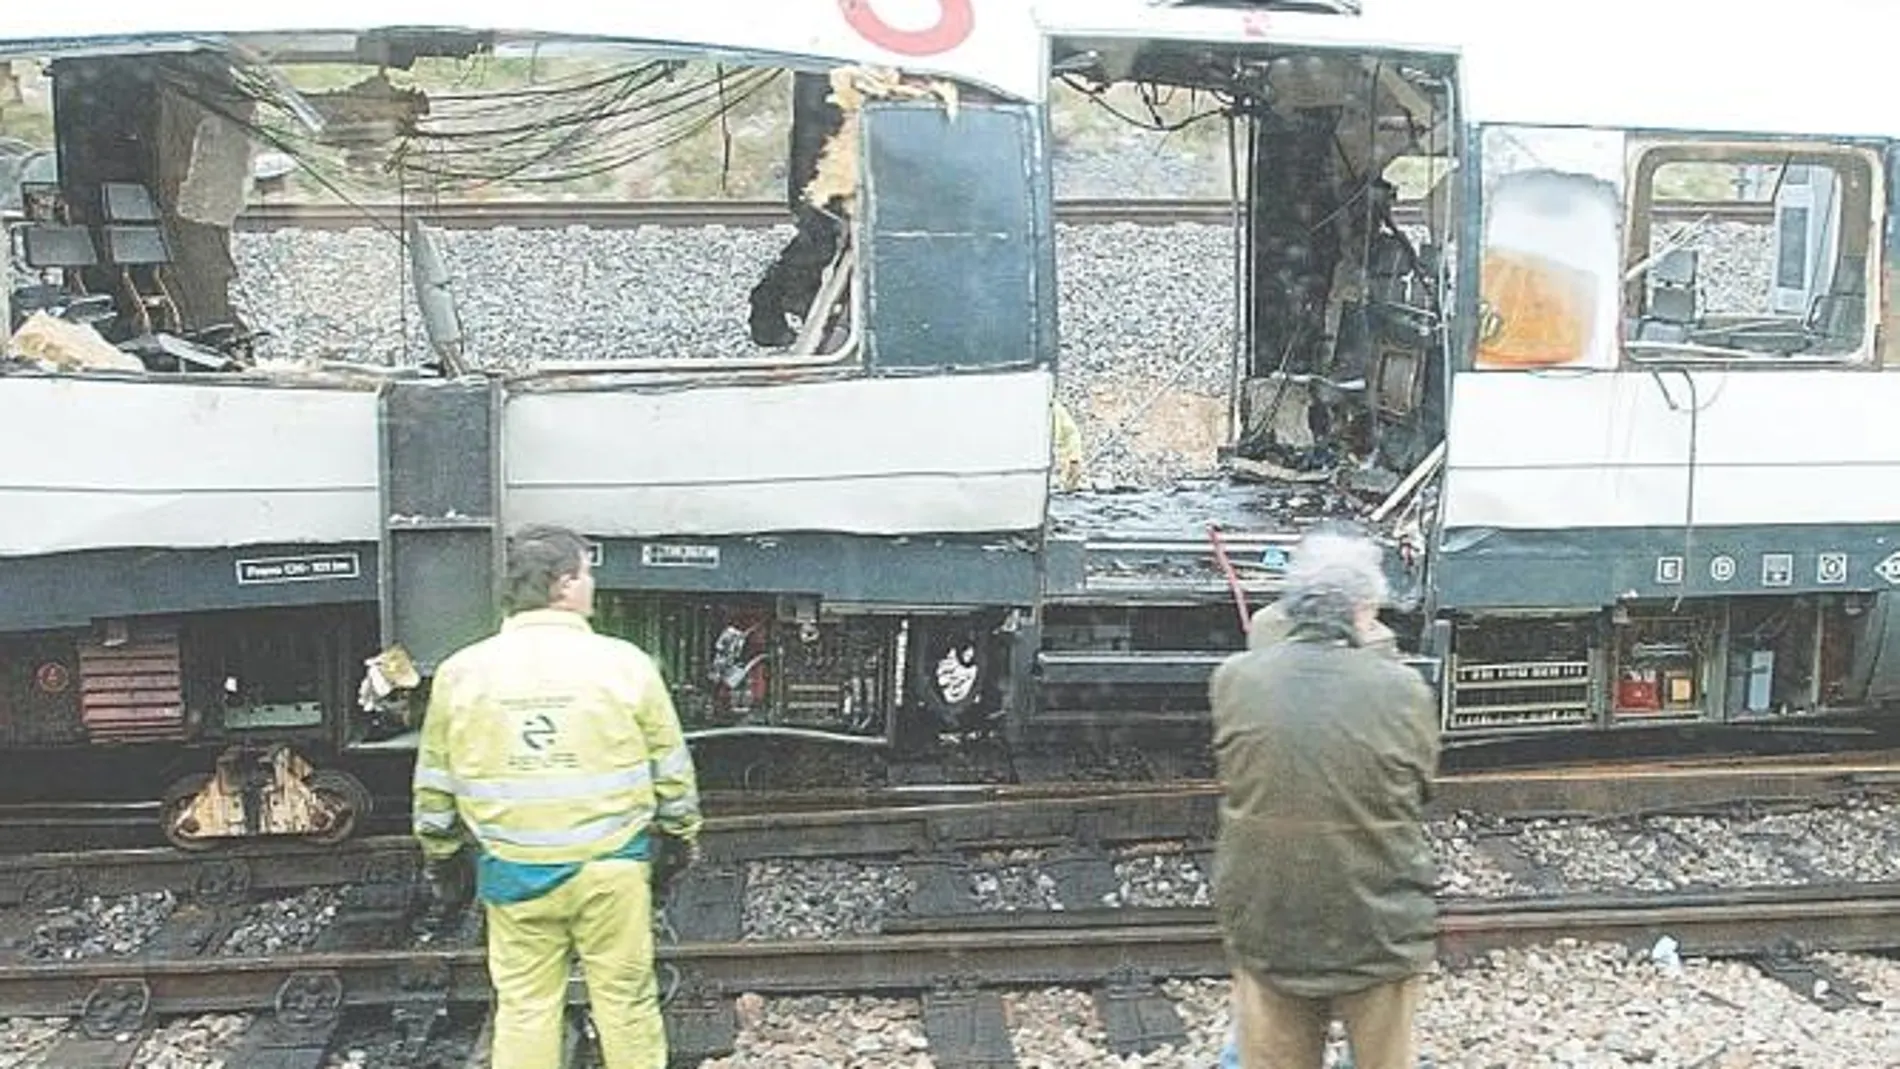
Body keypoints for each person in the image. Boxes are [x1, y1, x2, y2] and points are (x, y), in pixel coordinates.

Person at [412, 524, 703, 1069]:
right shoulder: (626, 664)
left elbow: (434, 788)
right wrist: (680, 838)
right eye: (588, 574)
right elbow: (672, 774)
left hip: (513, 872)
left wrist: (443, 857)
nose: (592, 585)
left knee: (524, 1008)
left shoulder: (460, 673)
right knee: (626, 1003)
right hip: (611, 871)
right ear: (564, 585)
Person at [1209, 529, 1438, 1069]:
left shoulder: (1235, 680)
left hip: (1267, 922)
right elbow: (1419, 791)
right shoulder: (1404, 690)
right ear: (1363, 610)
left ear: (1293, 606)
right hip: (1378, 929)